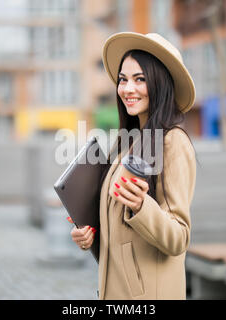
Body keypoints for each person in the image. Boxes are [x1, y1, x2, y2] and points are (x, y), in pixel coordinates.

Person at [69, 32, 197, 300]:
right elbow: (123, 231)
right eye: (123, 79)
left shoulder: (173, 142)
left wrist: (142, 206)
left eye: (140, 79)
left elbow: (179, 237)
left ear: (160, 84)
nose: (128, 89)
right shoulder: (129, 143)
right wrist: (91, 231)